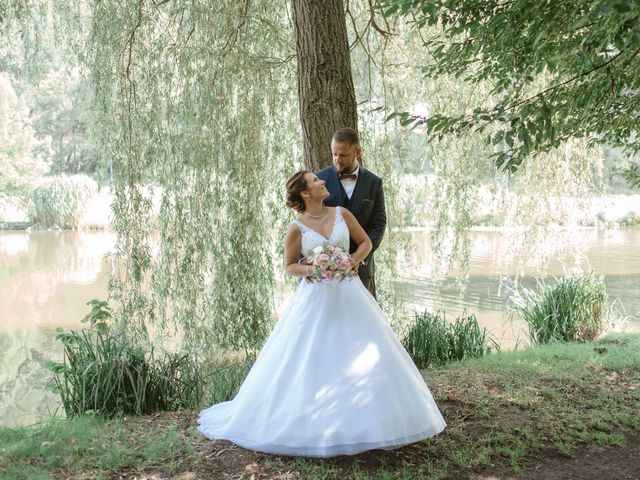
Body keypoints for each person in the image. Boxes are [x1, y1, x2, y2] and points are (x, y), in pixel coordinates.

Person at [197, 170, 446, 458]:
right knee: (314, 356)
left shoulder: (341, 213)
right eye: (315, 181)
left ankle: (369, 419)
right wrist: (314, 268)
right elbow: (290, 266)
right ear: (305, 192)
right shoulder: (297, 228)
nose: (323, 181)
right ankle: (316, 419)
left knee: (363, 354)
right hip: (315, 300)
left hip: (350, 295)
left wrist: (352, 260)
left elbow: (365, 242)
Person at [316, 128, 386, 298]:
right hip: (327, 270)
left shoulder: (374, 183)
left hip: (361, 269)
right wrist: (325, 260)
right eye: (334, 154)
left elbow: (379, 224)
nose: (337, 160)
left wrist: (358, 257)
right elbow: (311, 220)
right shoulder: (318, 180)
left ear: (358, 152)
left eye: (343, 155)